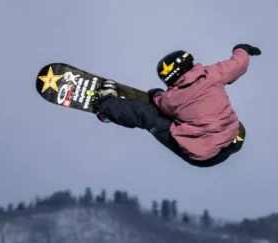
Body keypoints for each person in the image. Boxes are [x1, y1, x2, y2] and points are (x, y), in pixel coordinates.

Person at [93, 44, 261, 167]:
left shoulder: (170, 99)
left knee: (148, 116)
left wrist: (156, 94)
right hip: (229, 140)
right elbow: (238, 64)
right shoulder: (213, 74)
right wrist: (242, 50)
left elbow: (161, 104)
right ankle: (225, 137)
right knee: (202, 118)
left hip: (202, 156)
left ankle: (107, 104)